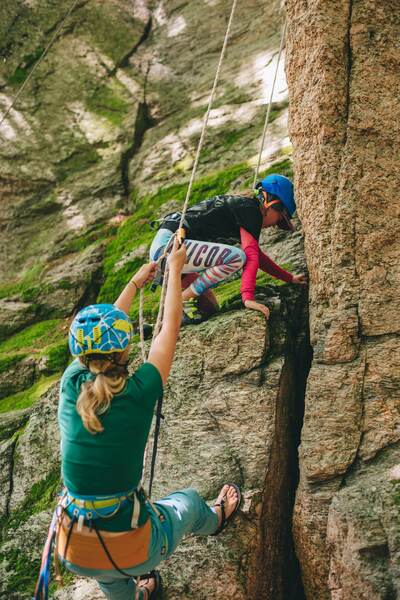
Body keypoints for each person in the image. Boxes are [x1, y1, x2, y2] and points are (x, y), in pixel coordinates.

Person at [54, 239, 241, 600]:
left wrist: (135, 284)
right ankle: (217, 518)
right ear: (124, 348)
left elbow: (106, 336)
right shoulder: (139, 392)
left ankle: (134, 594)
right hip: (137, 550)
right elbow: (169, 326)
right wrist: (174, 269)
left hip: (74, 548)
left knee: (109, 577)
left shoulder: (70, 385)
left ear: (80, 354)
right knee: (186, 502)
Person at [149, 173, 307, 325]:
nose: (275, 225)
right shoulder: (250, 209)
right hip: (170, 247)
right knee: (237, 257)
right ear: (271, 203)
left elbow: (257, 256)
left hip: (171, 249)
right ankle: (183, 298)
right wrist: (248, 298)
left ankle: (162, 322)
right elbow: (250, 256)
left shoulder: (244, 207)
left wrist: (289, 278)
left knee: (209, 307)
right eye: (280, 219)